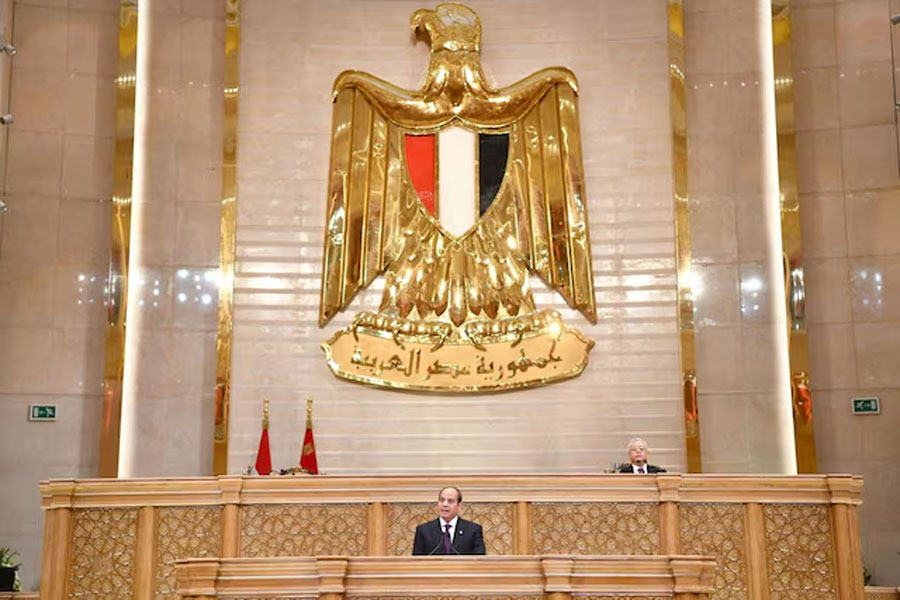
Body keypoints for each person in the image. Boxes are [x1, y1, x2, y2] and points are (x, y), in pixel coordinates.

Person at [412, 486, 486, 555]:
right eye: (442, 500)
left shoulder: (473, 530)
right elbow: (416, 562)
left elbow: (479, 561)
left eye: (450, 501)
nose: (445, 504)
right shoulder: (424, 530)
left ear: (459, 505)